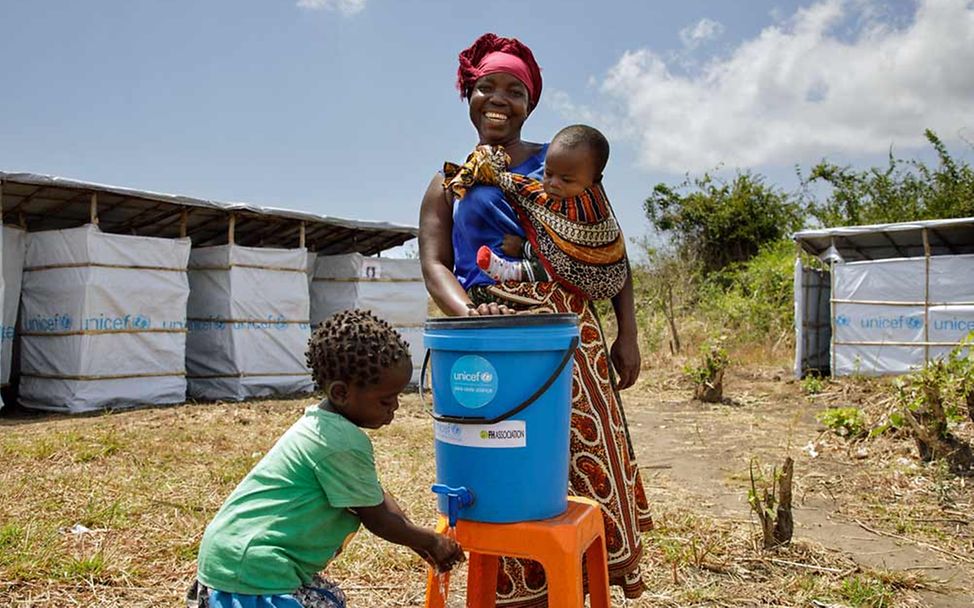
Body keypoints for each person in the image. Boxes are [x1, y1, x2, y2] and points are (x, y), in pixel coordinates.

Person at [419, 33, 653, 606]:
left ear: (531, 103)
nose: (499, 100)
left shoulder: (566, 161)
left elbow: (607, 251)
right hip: (491, 335)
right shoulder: (449, 181)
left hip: (570, 332)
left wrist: (628, 333)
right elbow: (434, 262)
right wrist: (473, 317)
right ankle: (517, 589)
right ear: (469, 96)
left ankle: (573, 581)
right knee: (507, 458)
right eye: (487, 87)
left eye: (514, 91)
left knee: (580, 455)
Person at [188, 309, 464, 608]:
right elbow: (377, 518)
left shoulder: (325, 426)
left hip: (235, 561)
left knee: (332, 599)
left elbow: (374, 494)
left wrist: (414, 538)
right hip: (252, 573)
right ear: (342, 393)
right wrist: (431, 541)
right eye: (386, 399)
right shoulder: (340, 441)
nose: (395, 407)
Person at [442, 124, 628, 301]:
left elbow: (584, 252)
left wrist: (523, 247)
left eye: (566, 179)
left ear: (594, 181)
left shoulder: (590, 211)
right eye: (548, 173)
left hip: (593, 274)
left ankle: (511, 271)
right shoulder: (546, 192)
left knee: (556, 266)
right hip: (516, 295)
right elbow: (523, 187)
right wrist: (492, 173)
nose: (553, 183)